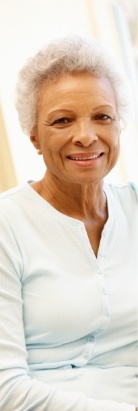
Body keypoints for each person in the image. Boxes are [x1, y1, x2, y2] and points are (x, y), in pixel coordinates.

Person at [0, 35, 137, 411]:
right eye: (63, 120)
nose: (86, 136)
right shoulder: (6, 225)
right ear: (35, 139)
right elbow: (5, 388)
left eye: (102, 116)